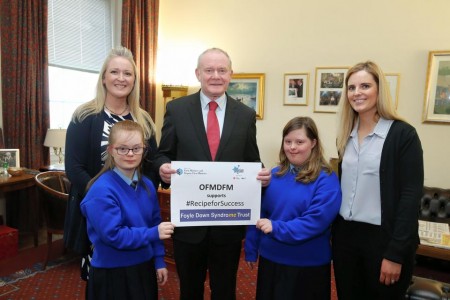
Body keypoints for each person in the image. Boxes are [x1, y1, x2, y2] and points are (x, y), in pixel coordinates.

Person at [153, 47, 271, 300]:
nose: (215, 76)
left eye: (221, 70)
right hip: (188, 223)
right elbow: (163, 154)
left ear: (231, 74)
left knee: (225, 289)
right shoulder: (177, 109)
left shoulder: (246, 115)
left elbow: (252, 161)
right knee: (190, 290)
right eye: (209, 70)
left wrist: (262, 176)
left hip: (227, 225)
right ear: (198, 74)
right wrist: (162, 168)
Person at [64, 46, 159, 287]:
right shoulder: (84, 116)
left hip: (137, 214)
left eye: (127, 73)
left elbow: (151, 166)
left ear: (134, 80)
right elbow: (74, 168)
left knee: (137, 279)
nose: (121, 78)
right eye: (114, 72)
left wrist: (135, 203)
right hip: (96, 214)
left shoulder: (144, 120)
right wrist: (105, 201)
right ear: (104, 78)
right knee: (102, 280)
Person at [332, 61, 424, 300]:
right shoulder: (345, 136)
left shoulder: (403, 135)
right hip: (346, 241)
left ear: (379, 90)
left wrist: (395, 254)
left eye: (365, 85)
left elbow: (410, 197)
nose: (357, 93)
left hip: (383, 242)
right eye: (351, 88)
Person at [245, 116, 342, 300]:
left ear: (313, 143)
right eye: (288, 141)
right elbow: (257, 212)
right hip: (271, 260)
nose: (292, 147)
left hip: (307, 265)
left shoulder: (326, 179)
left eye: (299, 142)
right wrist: (251, 249)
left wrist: (276, 227)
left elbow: (315, 221)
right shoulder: (273, 174)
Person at [80, 120, 174, 299]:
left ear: (144, 150)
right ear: (111, 151)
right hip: (113, 272)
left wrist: (159, 260)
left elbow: (154, 222)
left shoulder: (146, 184)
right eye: (122, 149)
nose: (130, 154)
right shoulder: (101, 191)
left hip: (144, 266)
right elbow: (114, 235)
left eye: (136, 148)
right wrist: (153, 233)